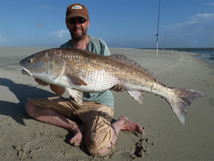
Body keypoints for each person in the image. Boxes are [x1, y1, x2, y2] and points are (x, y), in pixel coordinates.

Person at [25, 3, 144, 157]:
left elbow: (110, 75)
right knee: (30, 106)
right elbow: (60, 91)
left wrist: (118, 84)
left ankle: (121, 123)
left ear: (88, 22)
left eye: (81, 20)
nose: (77, 25)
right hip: (74, 102)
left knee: (99, 149)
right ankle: (75, 126)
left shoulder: (99, 45)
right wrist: (49, 80)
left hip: (99, 105)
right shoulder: (61, 51)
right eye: (72, 21)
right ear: (67, 24)